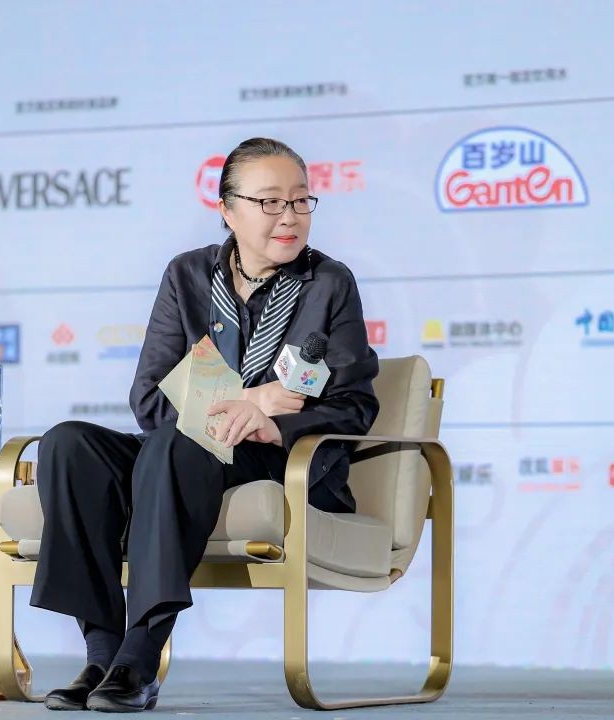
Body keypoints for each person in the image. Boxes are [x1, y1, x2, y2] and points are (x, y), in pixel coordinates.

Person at [32, 137, 379, 712]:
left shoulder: (328, 283)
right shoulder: (188, 275)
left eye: (300, 201)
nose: (289, 217)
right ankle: (102, 656)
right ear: (227, 210)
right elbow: (148, 398)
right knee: (69, 445)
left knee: (176, 444)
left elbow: (354, 406)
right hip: (183, 451)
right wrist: (253, 398)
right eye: (270, 202)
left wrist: (271, 422)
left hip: (275, 458)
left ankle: (139, 658)